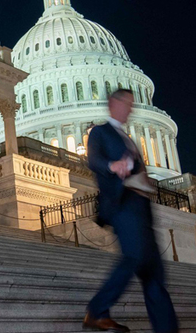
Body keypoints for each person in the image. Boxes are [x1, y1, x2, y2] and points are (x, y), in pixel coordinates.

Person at [82, 89, 178, 333]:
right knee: (133, 257)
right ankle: (97, 310)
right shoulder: (100, 132)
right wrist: (112, 165)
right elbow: (93, 160)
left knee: (154, 274)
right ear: (114, 104)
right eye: (127, 103)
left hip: (141, 207)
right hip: (122, 204)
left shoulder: (127, 138)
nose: (131, 109)